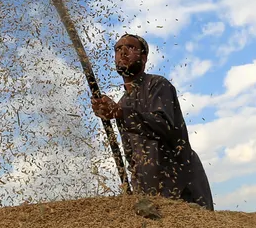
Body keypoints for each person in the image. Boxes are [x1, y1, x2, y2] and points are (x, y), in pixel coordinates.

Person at [90, 34, 214, 209]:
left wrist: (120, 113)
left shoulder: (157, 85)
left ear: (144, 57)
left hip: (180, 187)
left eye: (131, 48)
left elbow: (164, 126)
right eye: (118, 49)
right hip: (148, 193)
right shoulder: (123, 103)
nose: (123, 52)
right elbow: (131, 153)